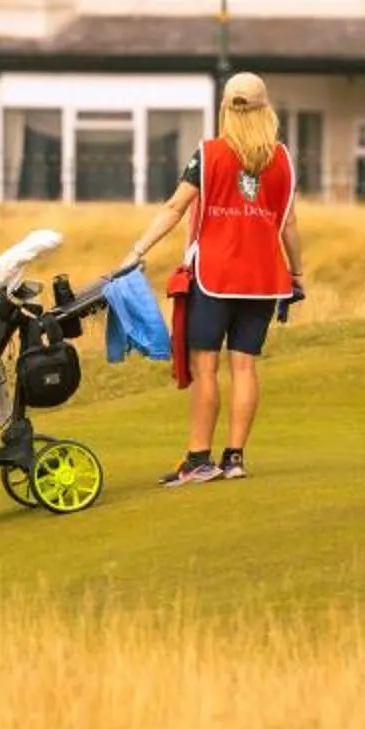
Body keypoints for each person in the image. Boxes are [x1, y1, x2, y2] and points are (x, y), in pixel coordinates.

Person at [122, 71, 304, 487]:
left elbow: (175, 207)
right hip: (265, 278)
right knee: (245, 366)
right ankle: (234, 458)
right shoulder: (282, 159)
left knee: (205, 368)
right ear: (266, 108)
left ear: (226, 107)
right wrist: (297, 273)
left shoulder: (208, 153)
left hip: (214, 276)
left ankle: (199, 459)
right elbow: (289, 223)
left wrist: (136, 250)